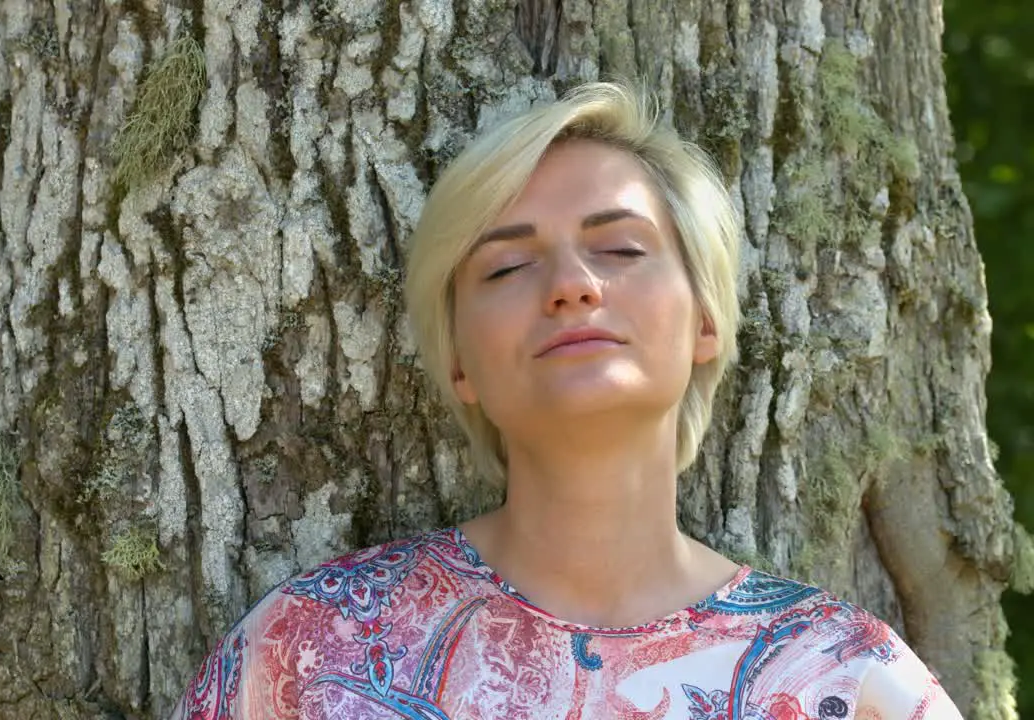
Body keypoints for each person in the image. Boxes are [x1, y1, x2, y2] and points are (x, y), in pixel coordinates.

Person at [170, 82, 963, 719]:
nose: (574, 286)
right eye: (507, 267)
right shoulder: (312, 652)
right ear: (460, 367)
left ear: (706, 321)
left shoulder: (843, 678)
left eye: (620, 248)